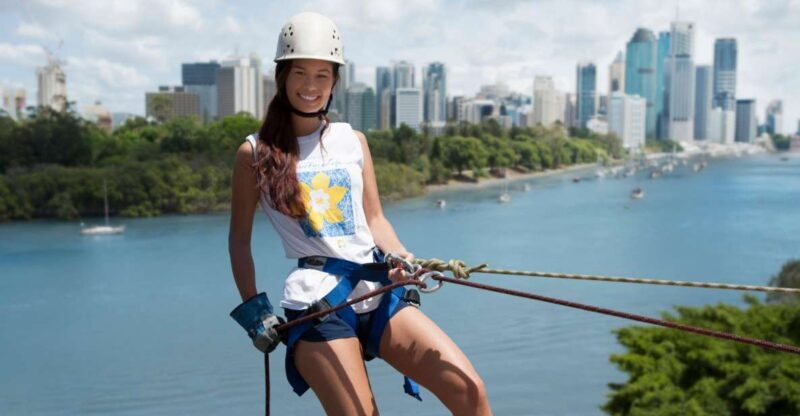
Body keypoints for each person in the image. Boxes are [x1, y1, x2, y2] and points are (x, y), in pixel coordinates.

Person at [228, 12, 491, 415]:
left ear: (335, 81)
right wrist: (254, 311)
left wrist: (402, 258)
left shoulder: (353, 141)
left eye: (322, 74)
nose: (311, 86)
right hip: (316, 304)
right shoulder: (255, 153)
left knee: (470, 392)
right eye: (300, 73)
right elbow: (238, 240)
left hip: (376, 287)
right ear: (282, 76)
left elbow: (376, 220)